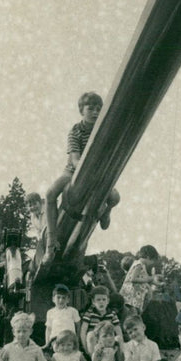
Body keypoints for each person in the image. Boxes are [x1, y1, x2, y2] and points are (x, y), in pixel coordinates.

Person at [44, 92, 121, 258]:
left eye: (98, 109)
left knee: (115, 197)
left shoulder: (103, 131)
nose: (95, 112)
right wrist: (87, 173)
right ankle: (51, 239)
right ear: (81, 110)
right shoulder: (76, 131)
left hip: (98, 173)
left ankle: (107, 212)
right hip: (74, 172)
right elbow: (75, 159)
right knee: (50, 194)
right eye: (91, 108)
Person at [120, 245, 162, 316]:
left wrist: (158, 284)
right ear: (148, 257)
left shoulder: (142, 265)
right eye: (152, 261)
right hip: (131, 297)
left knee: (136, 313)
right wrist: (147, 279)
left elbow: (146, 278)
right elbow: (133, 279)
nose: (152, 263)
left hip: (135, 298)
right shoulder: (139, 265)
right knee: (132, 315)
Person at [80, 286, 123, 356]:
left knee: (119, 337)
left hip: (108, 340)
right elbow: (83, 331)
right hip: (95, 342)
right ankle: (93, 359)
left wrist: (120, 341)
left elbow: (118, 330)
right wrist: (86, 349)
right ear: (93, 301)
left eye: (103, 299)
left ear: (108, 301)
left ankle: (121, 360)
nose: (101, 302)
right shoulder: (89, 314)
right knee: (90, 334)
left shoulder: (112, 314)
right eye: (98, 300)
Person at [44, 284, 81, 349]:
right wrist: (47, 343)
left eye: (64, 298)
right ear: (53, 299)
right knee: (57, 348)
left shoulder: (73, 311)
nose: (61, 300)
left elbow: (78, 325)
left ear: (68, 300)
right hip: (56, 338)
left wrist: (77, 339)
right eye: (58, 297)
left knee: (70, 350)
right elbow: (48, 329)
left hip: (69, 337)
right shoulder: (50, 312)